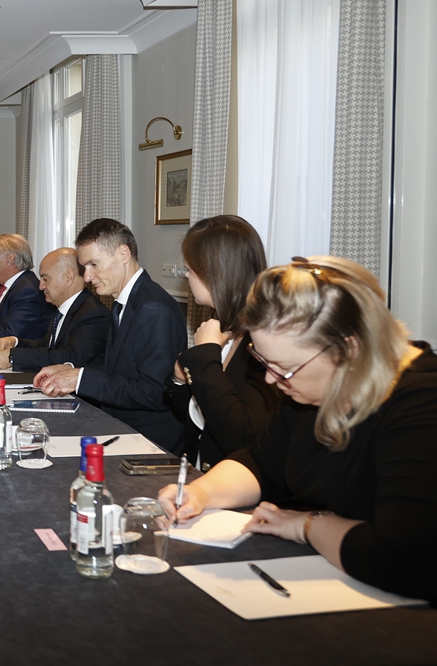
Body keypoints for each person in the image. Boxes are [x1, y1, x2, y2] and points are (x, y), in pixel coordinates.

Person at [158, 256, 437, 602]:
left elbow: (403, 561)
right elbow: (260, 462)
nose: (273, 381)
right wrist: (200, 494)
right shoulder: (308, 392)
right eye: (264, 362)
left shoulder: (422, 404)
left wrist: (307, 525)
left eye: (284, 368)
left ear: (349, 350)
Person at [35, 218, 187, 453]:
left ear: (123, 254)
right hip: (121, 426)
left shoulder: (154, 308)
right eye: (85, 267)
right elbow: (122, 372)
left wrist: (81, 379)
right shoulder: (125, 302)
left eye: (94, 264)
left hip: (150, 442)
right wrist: (68, 370)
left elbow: (155, 393)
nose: (86, 276)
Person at [165, 215, 280, 469]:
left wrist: (205, 355)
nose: (185, 275)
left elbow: (239, 436)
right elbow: (200, 414)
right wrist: (178, 380)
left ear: (215, 274)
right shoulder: (220, 323)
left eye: (190, 269)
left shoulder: (263, 341)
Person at [0, 247, 110, 372]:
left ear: (68, 278)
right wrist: (15, 342)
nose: (41, 286)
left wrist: (13, 357)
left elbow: (68, 357)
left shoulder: (93, 313)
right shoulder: (64, 309)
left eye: (45, 279)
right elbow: (46, 346)